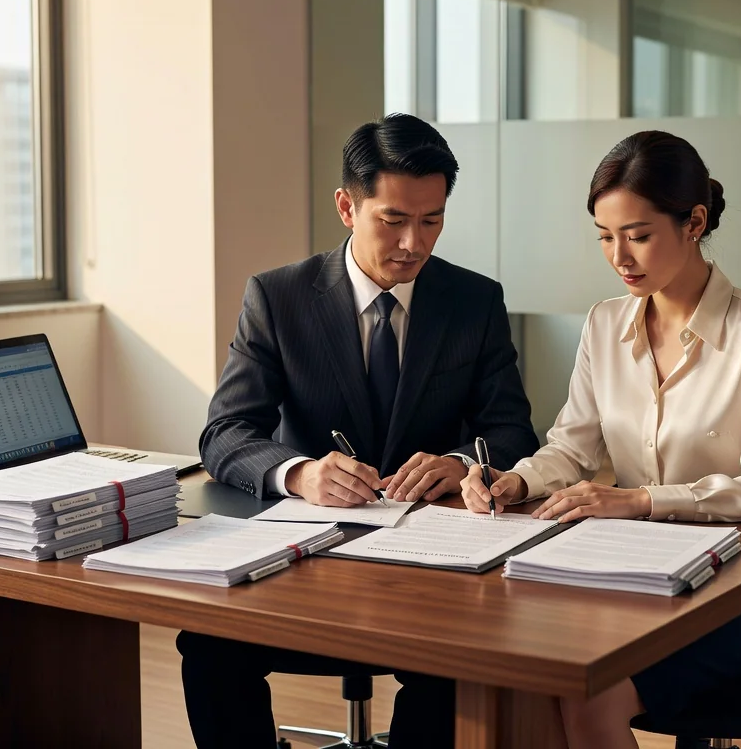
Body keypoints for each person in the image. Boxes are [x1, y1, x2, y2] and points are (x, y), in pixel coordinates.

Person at [179, 113, 539, 749]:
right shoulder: (278, 297)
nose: (413, 243)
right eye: (393, 219)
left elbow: (511, 428)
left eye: (431, 220)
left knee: (459, 663)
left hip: (434, 568)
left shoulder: (473, 301)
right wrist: (300, 473)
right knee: (208, 643)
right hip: (307, 561)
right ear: (348, 206)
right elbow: (226, 432)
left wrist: (462, 462)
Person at [459, 130, 741, 749]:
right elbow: (574, 447)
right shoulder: (604, 322)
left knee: (588, 693)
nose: (620, 256)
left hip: (738, 586)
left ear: (694, 222)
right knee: (522, 669)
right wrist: (517, 480)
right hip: (629, 573)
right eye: (605, 236)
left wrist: (640, 499)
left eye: (639, 235)